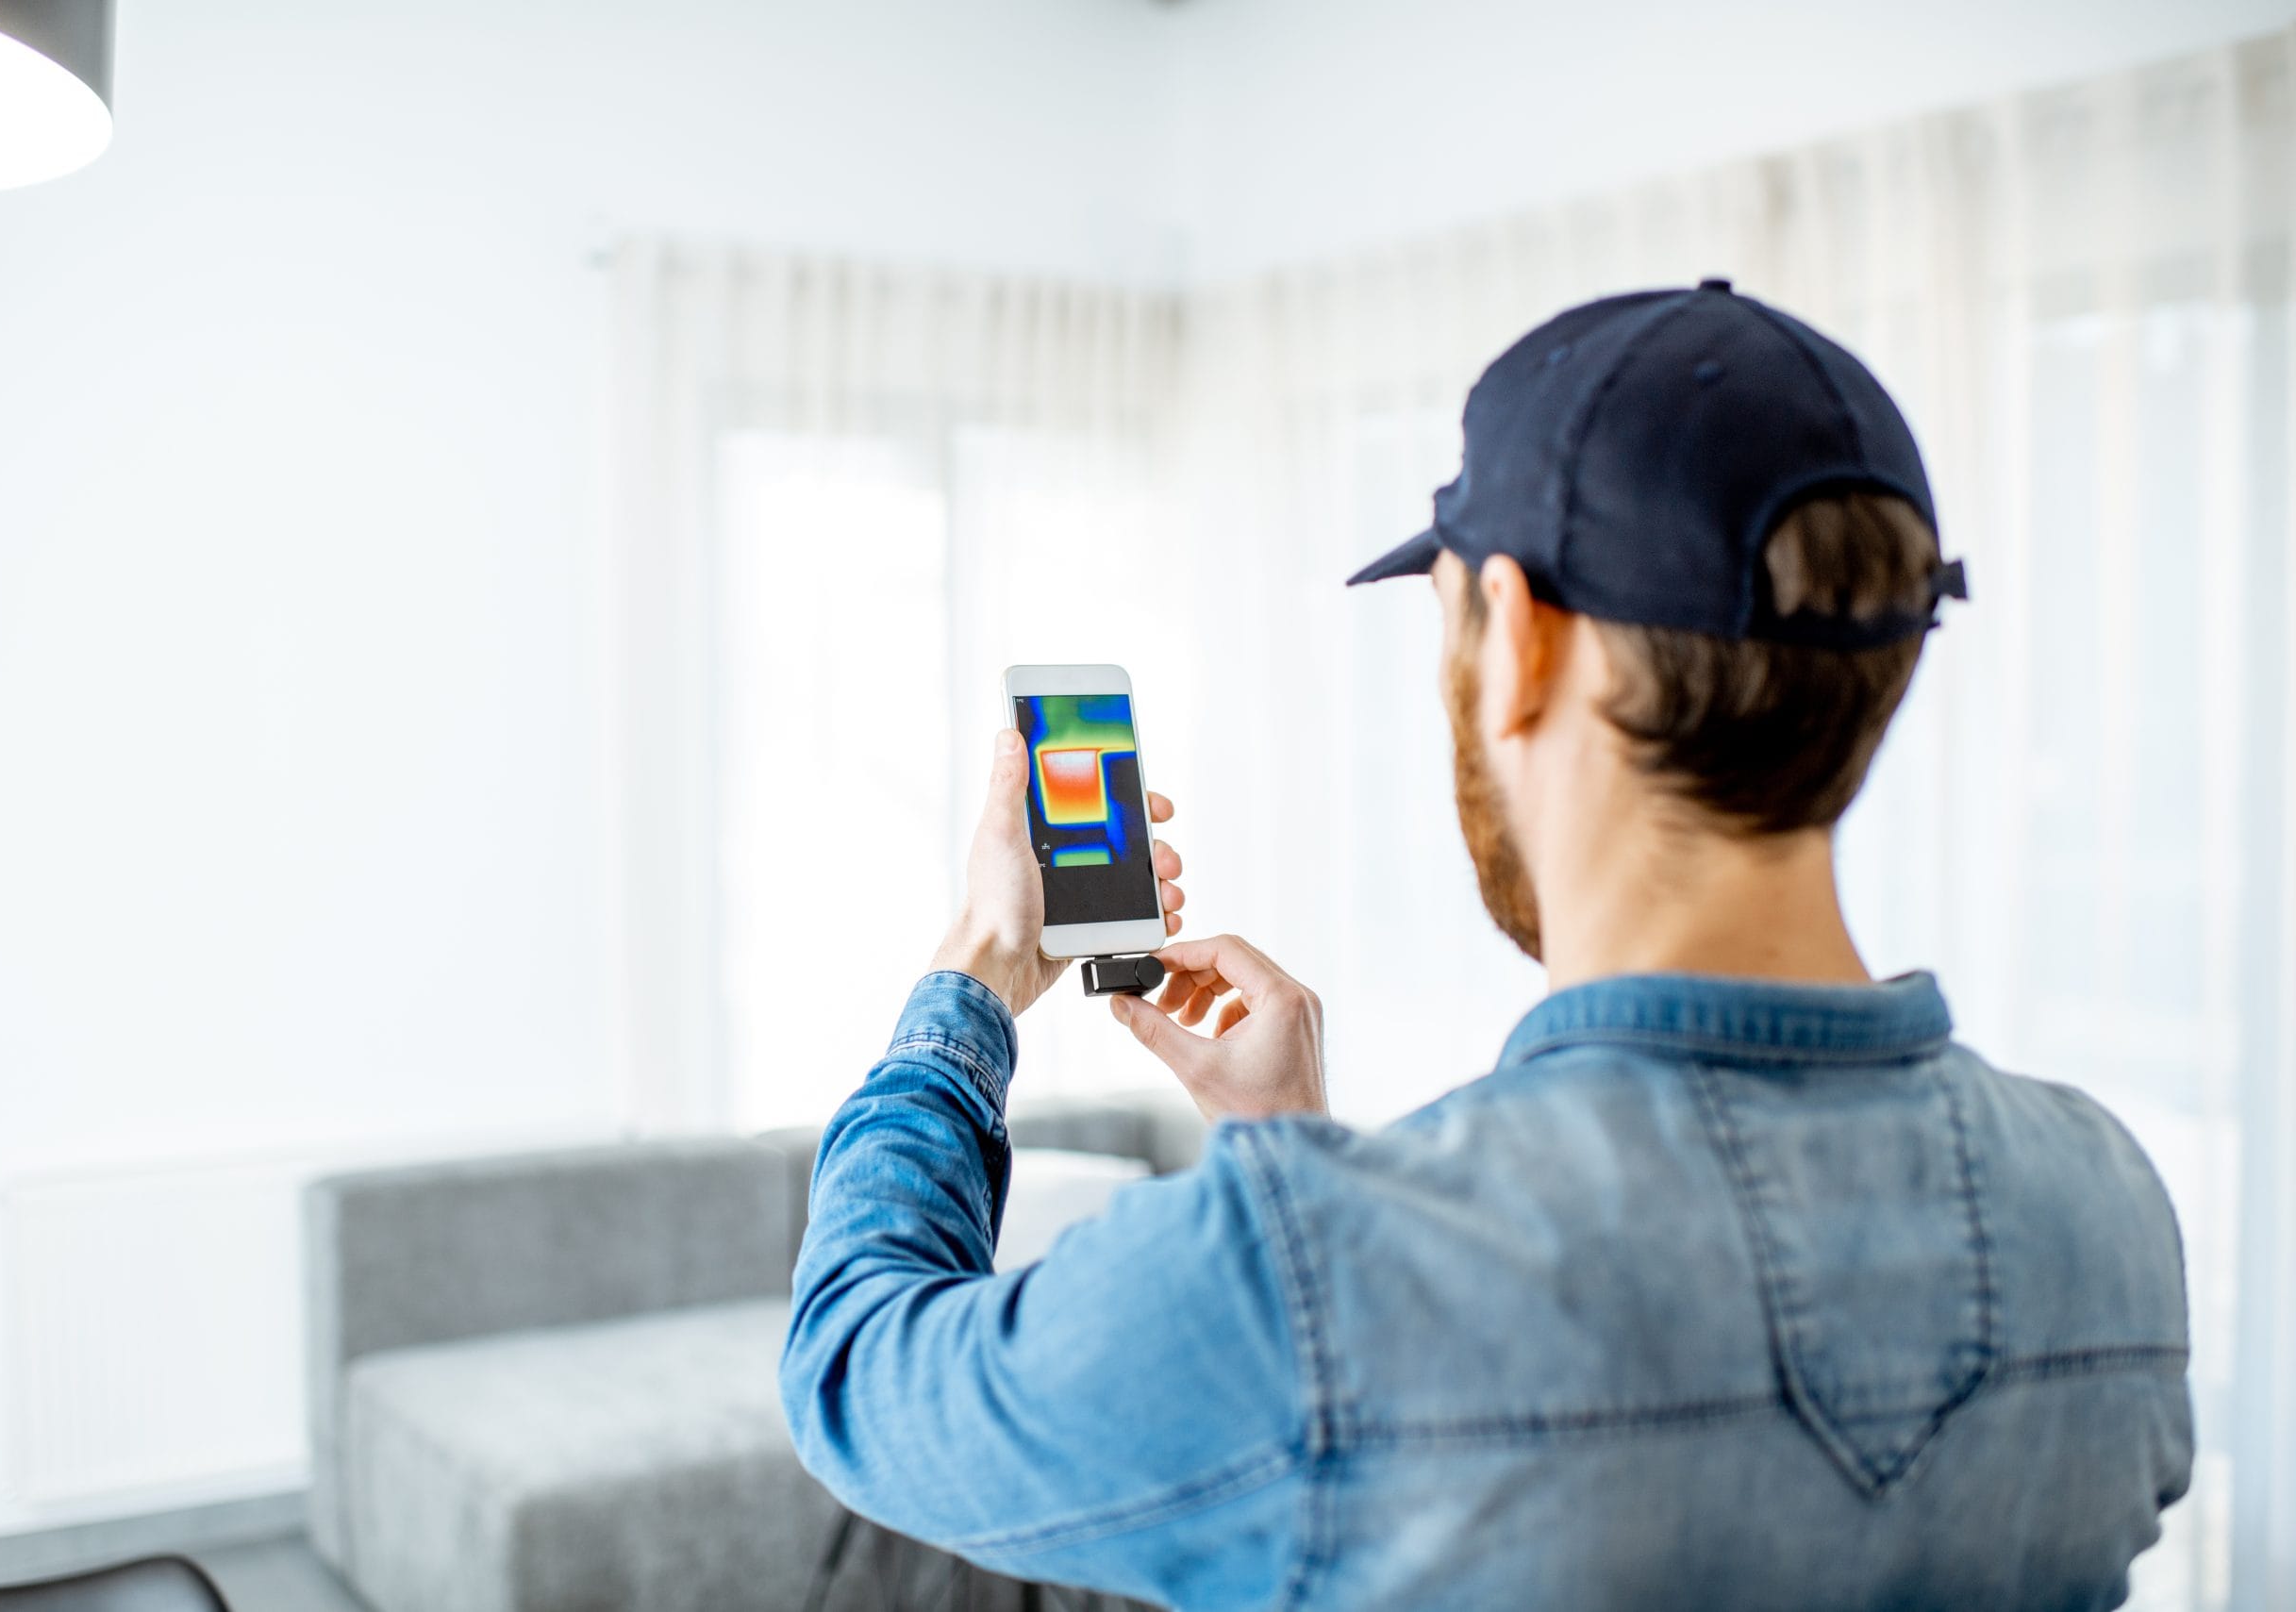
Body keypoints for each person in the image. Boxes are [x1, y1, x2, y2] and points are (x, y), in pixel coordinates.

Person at [777, 280, 2192, 1611]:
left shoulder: (1321, 1273)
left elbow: (854, 1371)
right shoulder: (2111, 1210)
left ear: (1518, 639)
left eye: (1448, 618)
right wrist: (1295, 1143)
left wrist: (977, 971)